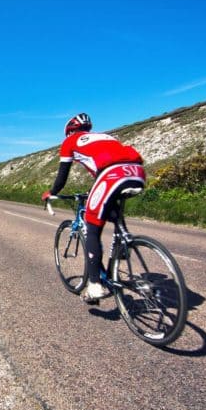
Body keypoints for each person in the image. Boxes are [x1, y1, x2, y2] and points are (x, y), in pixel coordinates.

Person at [42, 113, 145, 304]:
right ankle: (123, 241)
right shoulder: (107, 137)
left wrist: (52, 192)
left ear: (69, 131)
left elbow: (62, 175)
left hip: (111, 174)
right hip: (137, 171)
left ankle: (95, 284)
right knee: (108, 207)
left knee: (92, 226)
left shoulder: (70, 141)